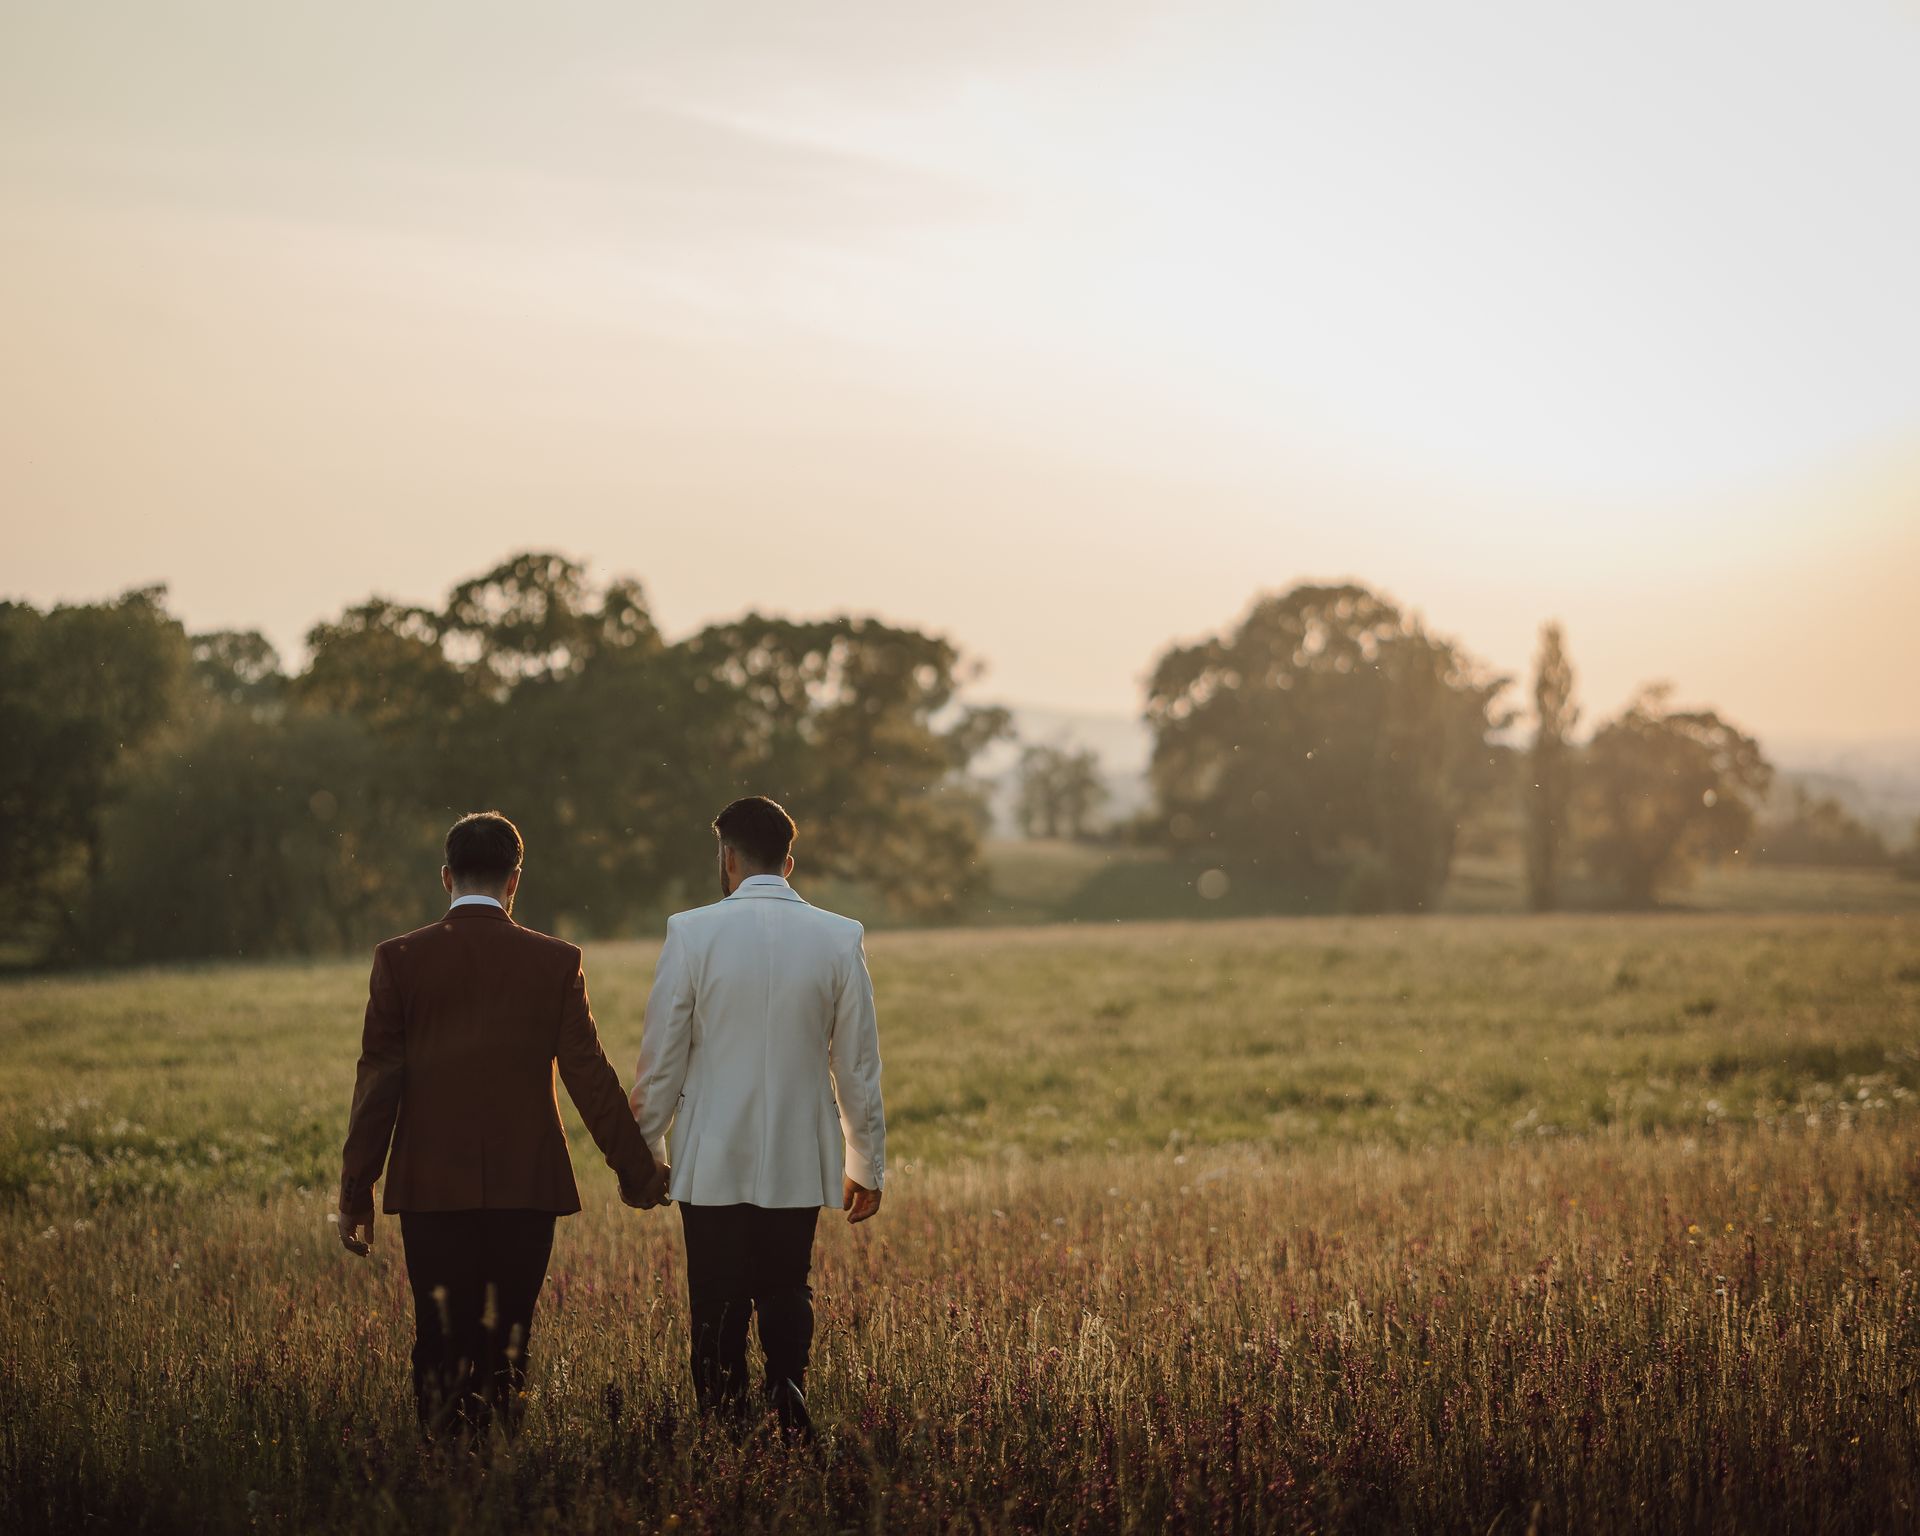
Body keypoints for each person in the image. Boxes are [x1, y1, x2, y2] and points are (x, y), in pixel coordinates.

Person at [337, 811, 668, 1440]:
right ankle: (499, 1463)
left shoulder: (399, 960)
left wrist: (357, 1193)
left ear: (445, 877)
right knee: (508, 1337)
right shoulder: (555, 961)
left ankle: (440, 1466)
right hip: (526, 1186)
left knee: (438, 1334)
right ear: (515, 881)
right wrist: (638, 1170)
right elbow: (589, 1076)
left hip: (431, 1188)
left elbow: (377, 1083)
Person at [631, 795, 887, 1439]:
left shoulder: (691, 932)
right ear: (789, 863)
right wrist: (867, 1163)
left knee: (716, 1295)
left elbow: (662, 1059)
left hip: (711, 1149)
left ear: (728, 858)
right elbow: (856, 1065)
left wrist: (645, 1153)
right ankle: (787, 1392)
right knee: (785, 1282)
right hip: (800, 1147)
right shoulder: (839, 936)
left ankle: (724, 1427)